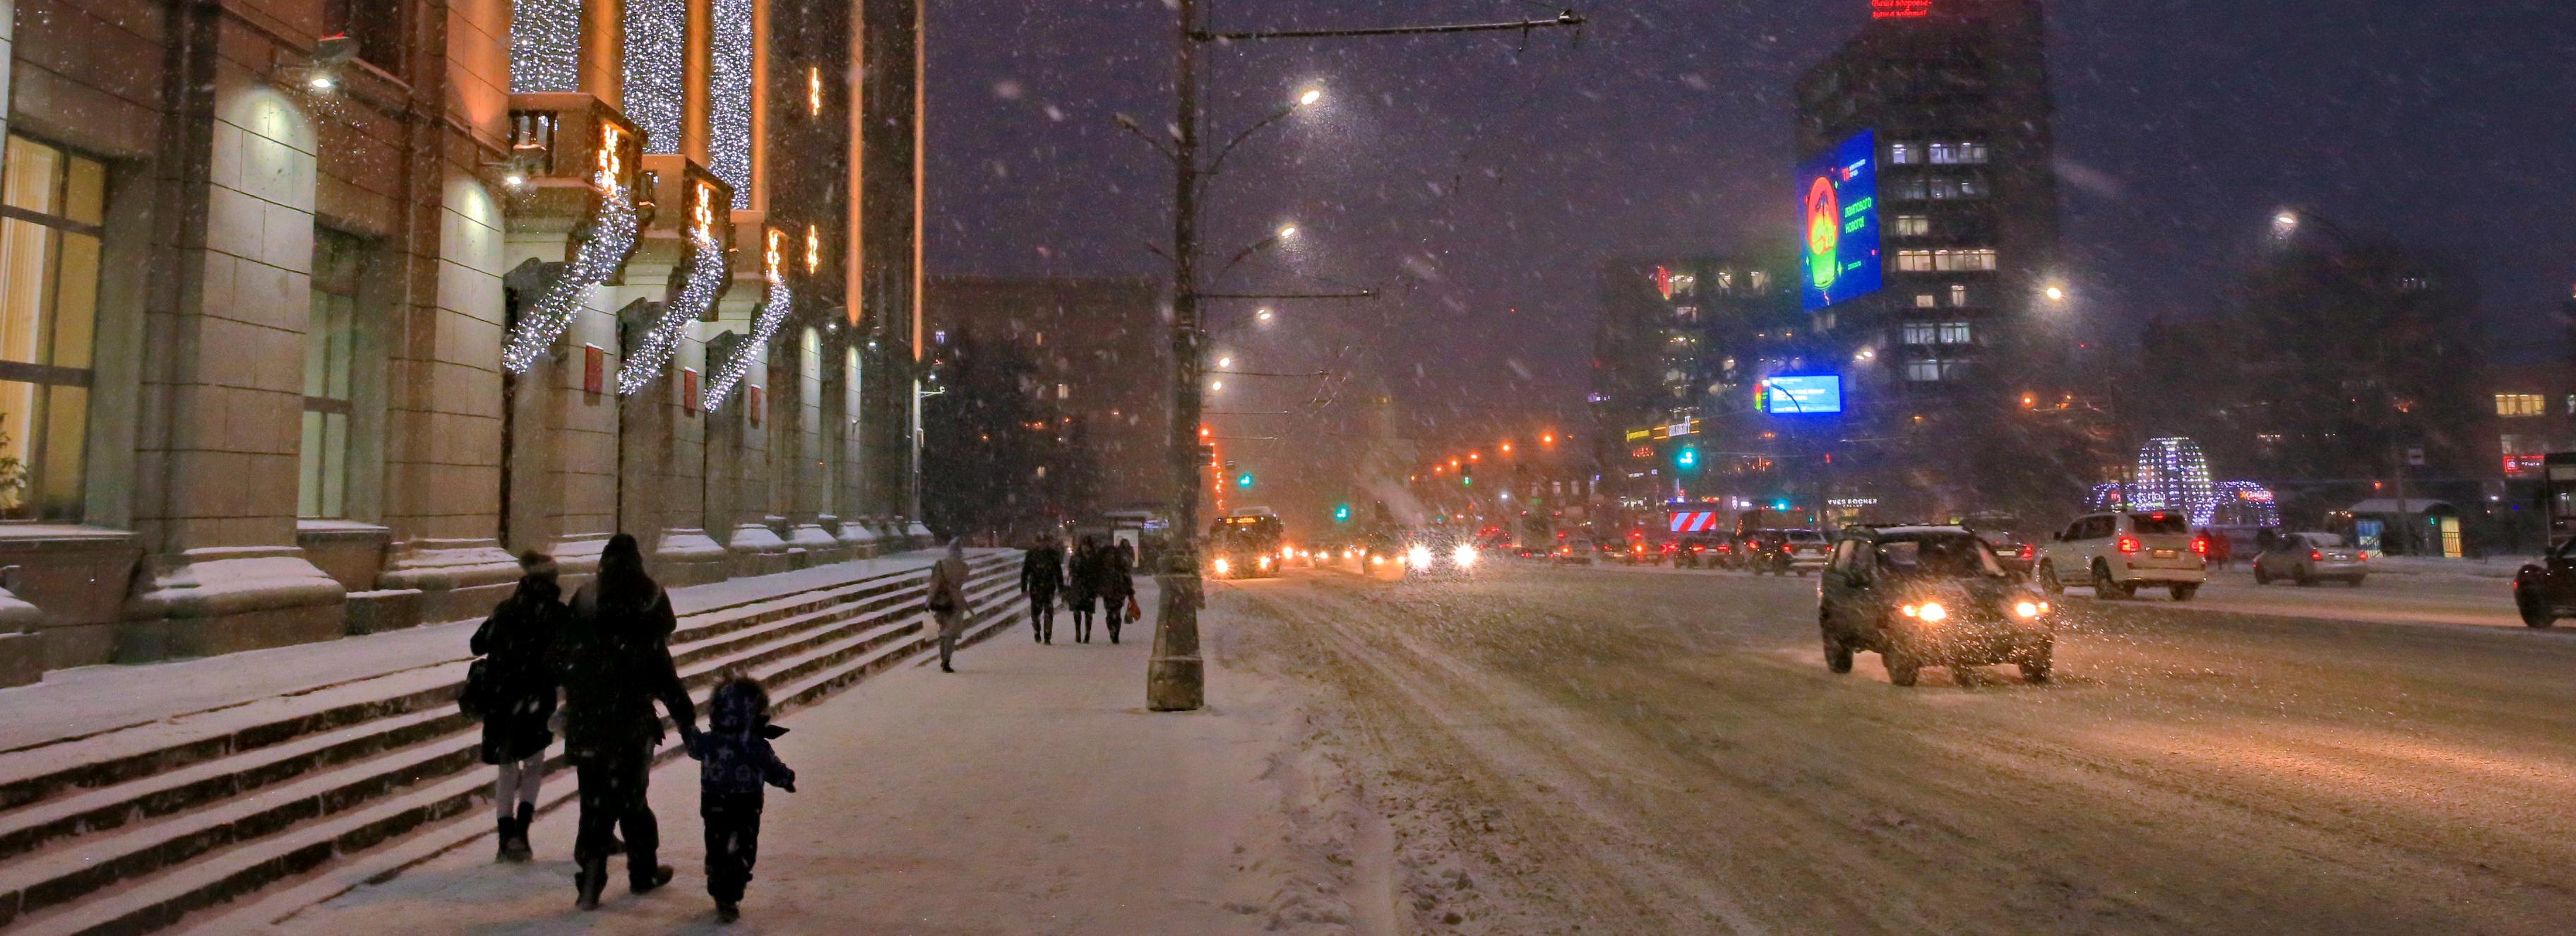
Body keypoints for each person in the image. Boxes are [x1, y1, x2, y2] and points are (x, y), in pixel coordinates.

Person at [561, 533, 699, 910]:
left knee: (593, 804)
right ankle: (643, 871)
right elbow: (664, 675)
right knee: (633, 800)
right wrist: (686, 720)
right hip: (631, 724)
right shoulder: (648, 608)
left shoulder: (586, 602)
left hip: (589, 722)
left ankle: (590, 881)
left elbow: (564, 656)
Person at [469, 550, 568, 863]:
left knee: (507, 765)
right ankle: (522, 833)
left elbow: (477, 644)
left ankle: (505, 835)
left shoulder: (507, 609)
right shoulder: (558, 614)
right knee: (534, 763)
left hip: (503, 698)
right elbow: (568, 655)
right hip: (537, 698)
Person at [688, 675, 797, 923]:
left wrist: (689, 728)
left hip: (714, 800)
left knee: (716, 839)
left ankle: (716, 872)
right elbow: (771, 767)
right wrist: (786, 778)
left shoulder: (710, 741)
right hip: (747, 802)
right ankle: (732, 888)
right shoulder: (754, 743)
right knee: (745, 845)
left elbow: (694, 746)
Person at [928, 538, 974, 672]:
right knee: (952, 633)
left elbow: (934, 584)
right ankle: (947, 659)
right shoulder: (964, 567)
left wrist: (929, 601)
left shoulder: (940, 564)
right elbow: (960, 582)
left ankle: (943, 657)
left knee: (944, 631)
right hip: (957, 601)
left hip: (942, 600)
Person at [1020, 533, 1063, 645]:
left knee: (1048, 611)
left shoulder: (1053, 554)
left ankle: (1047, 635)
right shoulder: (1031, 554)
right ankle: (1037, 629)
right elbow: (1025, 572)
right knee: (1035, 611)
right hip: (1036, 586)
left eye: (1045, 542)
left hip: (1049, 586)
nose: (1043, 544)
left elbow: (1058, 572)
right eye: (1040, 542)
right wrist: (1024, 588)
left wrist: (1061, 587)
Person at [1096, 539, 1137, 644]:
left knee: (1110, 613)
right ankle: (1115, 634)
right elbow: (1127, 579)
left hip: (1110, 591)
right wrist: (1130, 593)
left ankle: (1113, 632)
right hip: (1118, 591)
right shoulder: (1120, 569)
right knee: (1116, 613)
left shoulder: (1105, 570)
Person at [1065, 537, 1099, 644]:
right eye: (1084, 545)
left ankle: (1087, 634)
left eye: (1087, 546)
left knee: (1088, 612)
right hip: (1078, 587)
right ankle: (1078, 632)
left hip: (1088, 587)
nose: (1085, 548)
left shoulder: (1093, 558)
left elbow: (1097, 573)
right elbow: (1071, 570)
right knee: (1077, 611)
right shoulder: (1076, 558)